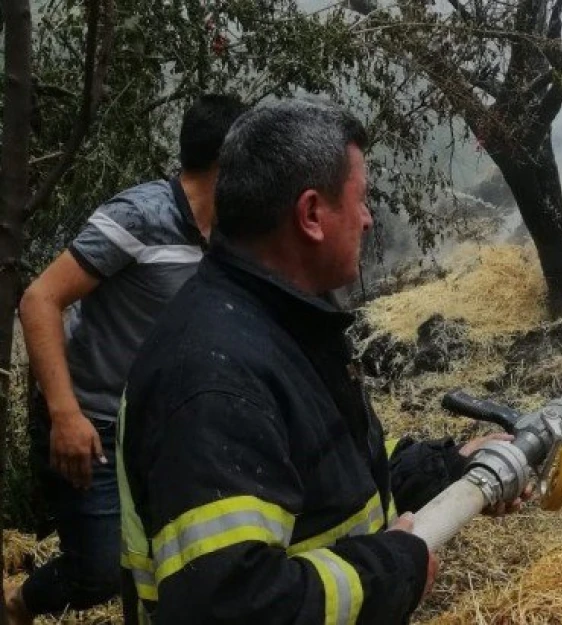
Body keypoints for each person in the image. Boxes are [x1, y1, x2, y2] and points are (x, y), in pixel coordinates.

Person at [116, 98, 521, 625]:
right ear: (310, 214)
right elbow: (232, 604)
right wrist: (391, 570)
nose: (369, 218)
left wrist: (447, 469)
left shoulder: (279, 324)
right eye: (361, 199)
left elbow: (330, 462)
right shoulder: (214, 380)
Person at [4, 94, 247, 625]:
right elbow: (39, 300)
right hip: (90, 421)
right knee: (97, 571)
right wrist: (65, 414)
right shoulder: (140, 216)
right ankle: (17, 604)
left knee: (169, 561)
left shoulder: (232, 235)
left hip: (164, 426)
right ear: (230, 160)